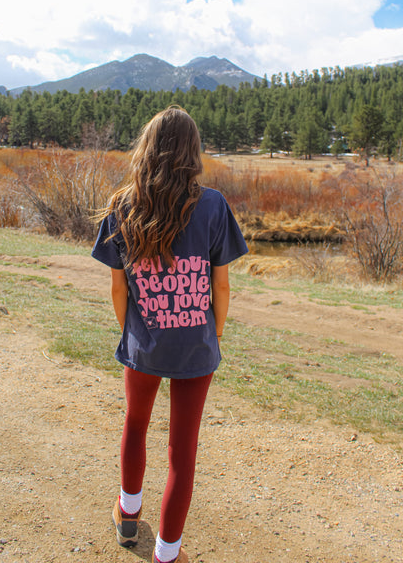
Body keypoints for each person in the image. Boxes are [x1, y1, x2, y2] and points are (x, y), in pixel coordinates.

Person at [92, 106, 248, 563]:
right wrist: (212, 334)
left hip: (144, 343)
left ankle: (127, 513)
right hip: (196, 348)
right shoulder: (214, 206)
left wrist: (134, 331)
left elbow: (118, 287)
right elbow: (221, 283)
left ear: (148, 148)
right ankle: (166, 553)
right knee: (183, 451)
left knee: (135, 425)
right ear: (192, 152)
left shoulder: (124, 205)